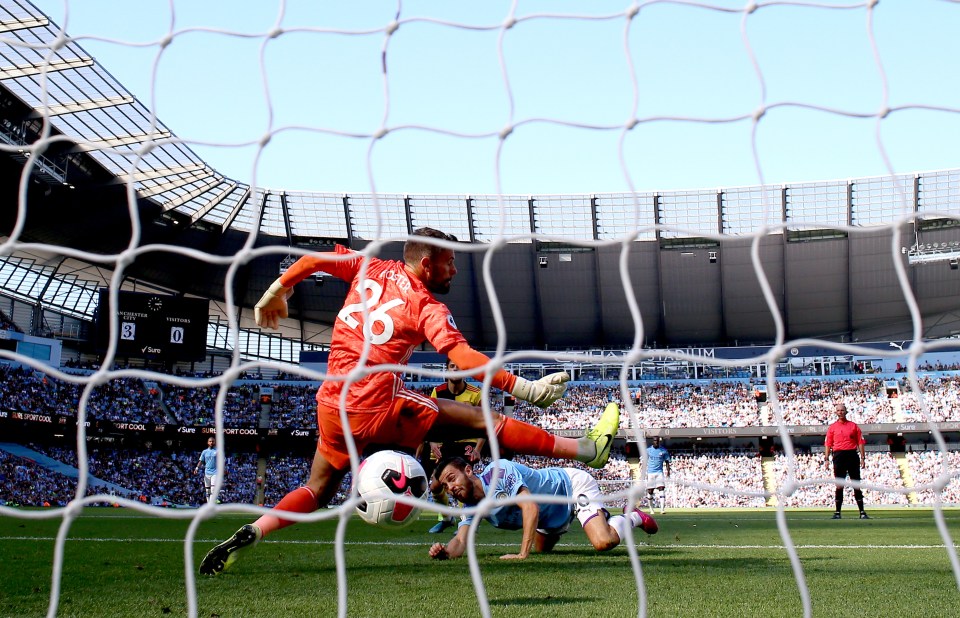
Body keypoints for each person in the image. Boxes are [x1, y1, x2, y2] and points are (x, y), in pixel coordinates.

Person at [199, 227, 620, 575]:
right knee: (481, 419)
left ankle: (257, 528)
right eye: (450, 262)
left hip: (332, 403)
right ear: (426, 265)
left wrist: (277, 289)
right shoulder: (425, 305)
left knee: (317, 488)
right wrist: (523, 388)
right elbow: (464, 359)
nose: (455, 269)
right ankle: (586, 449)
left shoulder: (367, 266)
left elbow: (310, 261)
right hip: (380, 404)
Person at [428, 456, 658, 561]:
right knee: (544, 551)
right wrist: (445, 552)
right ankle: (556, 528)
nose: (450, 488)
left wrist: (522, 554)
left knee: (603, 542)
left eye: (452, 478)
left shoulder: (499, 472)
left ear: (468, 471)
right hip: (550, 520)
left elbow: (530, 508)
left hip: (570, 487)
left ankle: (631, 516)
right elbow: (460, 540)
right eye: (445, 485)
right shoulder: (470, 505)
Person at [423, 359, 485, 534]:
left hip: (467, 443)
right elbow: (429, 421)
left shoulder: (475, 393)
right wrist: (433, 443)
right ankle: (446, 518)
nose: (456, 369)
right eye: (452, 366)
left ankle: (465, 524)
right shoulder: (438, 392)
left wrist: (478, 449)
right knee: (435, 486)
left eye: (460, 366)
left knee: (461, 483)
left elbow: (485, 423)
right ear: (447, 369)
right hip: (445, 443)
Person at [824, 402, 869, 520]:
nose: (840, 412)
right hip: (838, 456)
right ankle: (837, 512)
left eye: (842, 410)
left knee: (856, 484)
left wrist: (863, 458)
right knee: (839, 485)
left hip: (852, 455)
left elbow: (860, 442)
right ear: (836, 412)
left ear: (846, 412)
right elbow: (828, 444)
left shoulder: (853, 426)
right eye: (838, 410)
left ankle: (862, 512)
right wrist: (826, 459)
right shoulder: (832, 427)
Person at [645, 436, 670, 515]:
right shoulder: (648, 450)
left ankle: (662, 509)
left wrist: (668, 471)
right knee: (650, 491)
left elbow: (667, 462)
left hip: (659, 472)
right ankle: (651, 509)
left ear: (659, 442)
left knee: (661, 489)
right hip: (650, 472)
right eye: (655, 441)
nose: (656, 442)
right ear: (653, 441)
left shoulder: (663, 451)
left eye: (657, 441)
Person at [194, 436, 218, 504]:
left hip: (215, 472)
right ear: (208, 442)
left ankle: (211, 504)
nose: (211, 442)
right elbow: (201, 461)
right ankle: (208, 503)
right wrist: (197, 468)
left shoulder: (217, 451)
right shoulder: (204, 452)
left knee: (213, 489)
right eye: (210, 441)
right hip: (207, 472)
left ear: (215, 442)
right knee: (208, 490)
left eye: (213, 441)